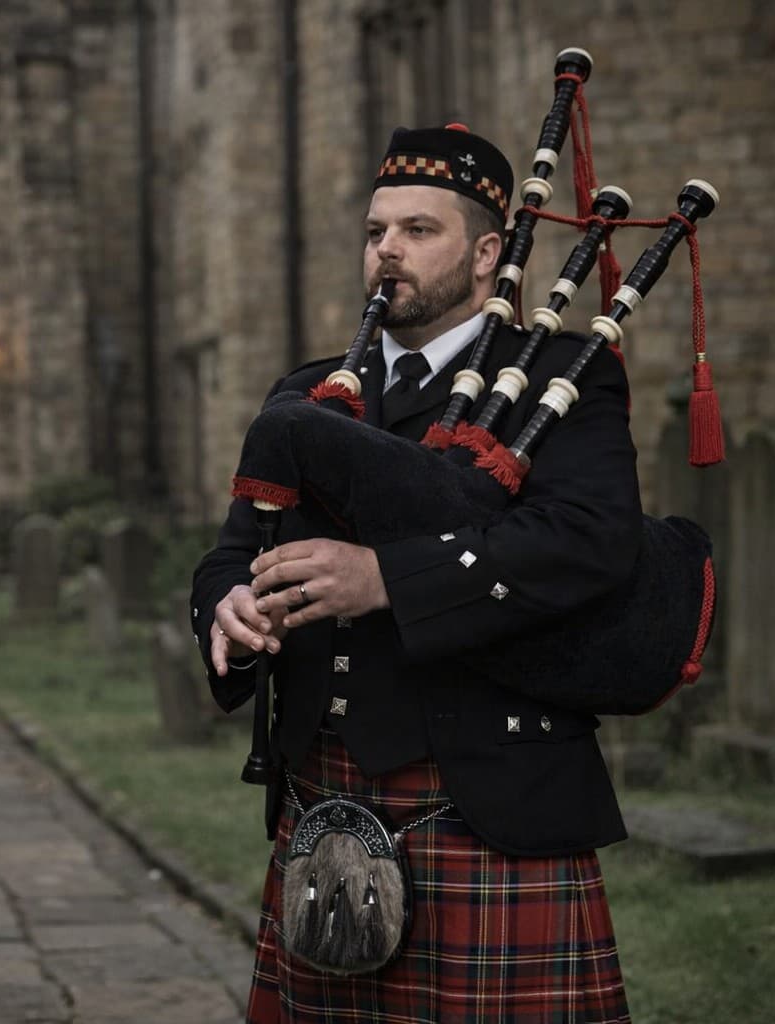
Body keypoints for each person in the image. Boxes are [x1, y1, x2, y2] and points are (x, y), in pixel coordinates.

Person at [190, 125, 640, 1023]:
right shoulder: (309, 394)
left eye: (417, 230)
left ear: (486, 254)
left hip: (483, 804)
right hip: (322, 801)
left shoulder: (559, 376)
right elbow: (234, 550)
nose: (386, 249)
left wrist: (385, 578)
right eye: (375, 232)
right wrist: (228, 606)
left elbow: (589, 542)